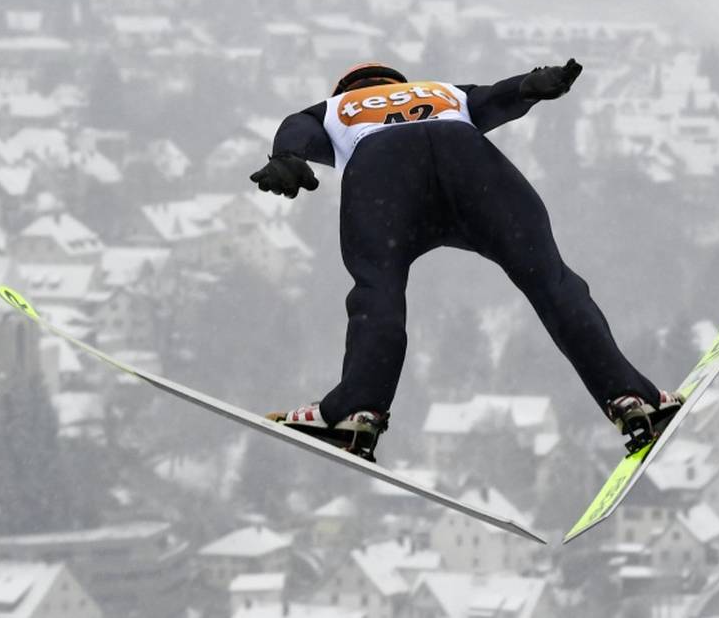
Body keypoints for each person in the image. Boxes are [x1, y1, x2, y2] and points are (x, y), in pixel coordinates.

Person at [252, 61, 680, 460]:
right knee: (552, 281)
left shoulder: (334, 107)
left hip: (385, 177)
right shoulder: (443, 92)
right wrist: (530, 87)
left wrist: (287, 157)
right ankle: (631, 395)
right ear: (400, 84)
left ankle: (357, 410)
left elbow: (297, 127)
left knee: (377, 292)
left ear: (346, 88)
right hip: (471, 166)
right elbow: (498, 97)